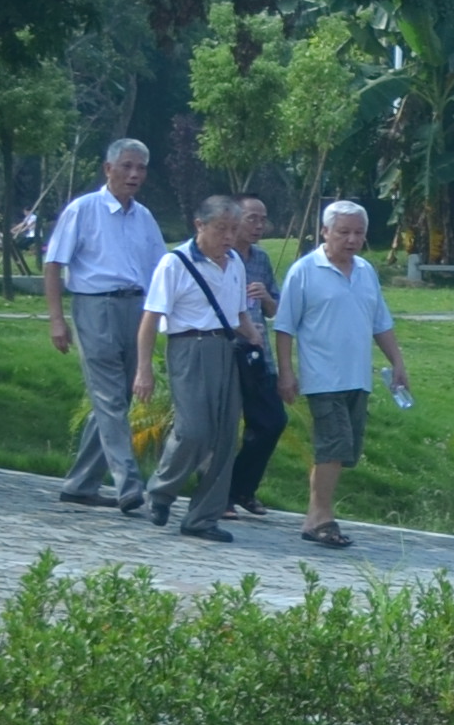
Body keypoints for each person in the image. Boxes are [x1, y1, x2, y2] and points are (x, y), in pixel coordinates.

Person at [269, 198, 411, 550]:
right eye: (344, 232)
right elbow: (285, 327)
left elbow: (380, 322)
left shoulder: (365, 271)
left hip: (357, 377)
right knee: (333, 446)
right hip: (323, 377)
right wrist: (286, 373)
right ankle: (322, 518)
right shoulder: (304, 270)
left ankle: (313, 516)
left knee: (342, 451)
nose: (351, 240)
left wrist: (397, 362)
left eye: (358, 233)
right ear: (325, 231)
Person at [42, 141, 169, 508]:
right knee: (109, 396)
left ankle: (80, 483)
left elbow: (160, 270)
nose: (134, 174)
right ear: (108, 169)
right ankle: (128, 483)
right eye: (126, 166)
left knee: (119, 397)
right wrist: (56, 319)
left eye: (141, 168)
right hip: (95, 306)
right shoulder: (83, 210)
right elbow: (53, 264)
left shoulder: (144, 217)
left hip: (136, 308)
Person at [133, 195, 265, 540]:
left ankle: (203, 518)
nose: (229, 236)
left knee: (225, 437)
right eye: (221, 228)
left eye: (234, 229)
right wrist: (144, 369)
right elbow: (151, 319)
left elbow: (239, 313)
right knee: (193, 429)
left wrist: (254, 338)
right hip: (189, 348)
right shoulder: (174, 263)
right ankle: (161, 490)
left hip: (227, 350)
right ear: (199, 225)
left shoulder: (235, 263)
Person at [219, 198, 290, 519]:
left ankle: (243, 488)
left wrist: (266, 298)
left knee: (272, 421)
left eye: (263, 219)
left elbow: (276, 310)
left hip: (258, 353)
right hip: (226, 349)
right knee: (224, 425)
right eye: (252, 218)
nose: (259, 226)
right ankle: (218, 494)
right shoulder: (219, 255)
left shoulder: (261, 258)